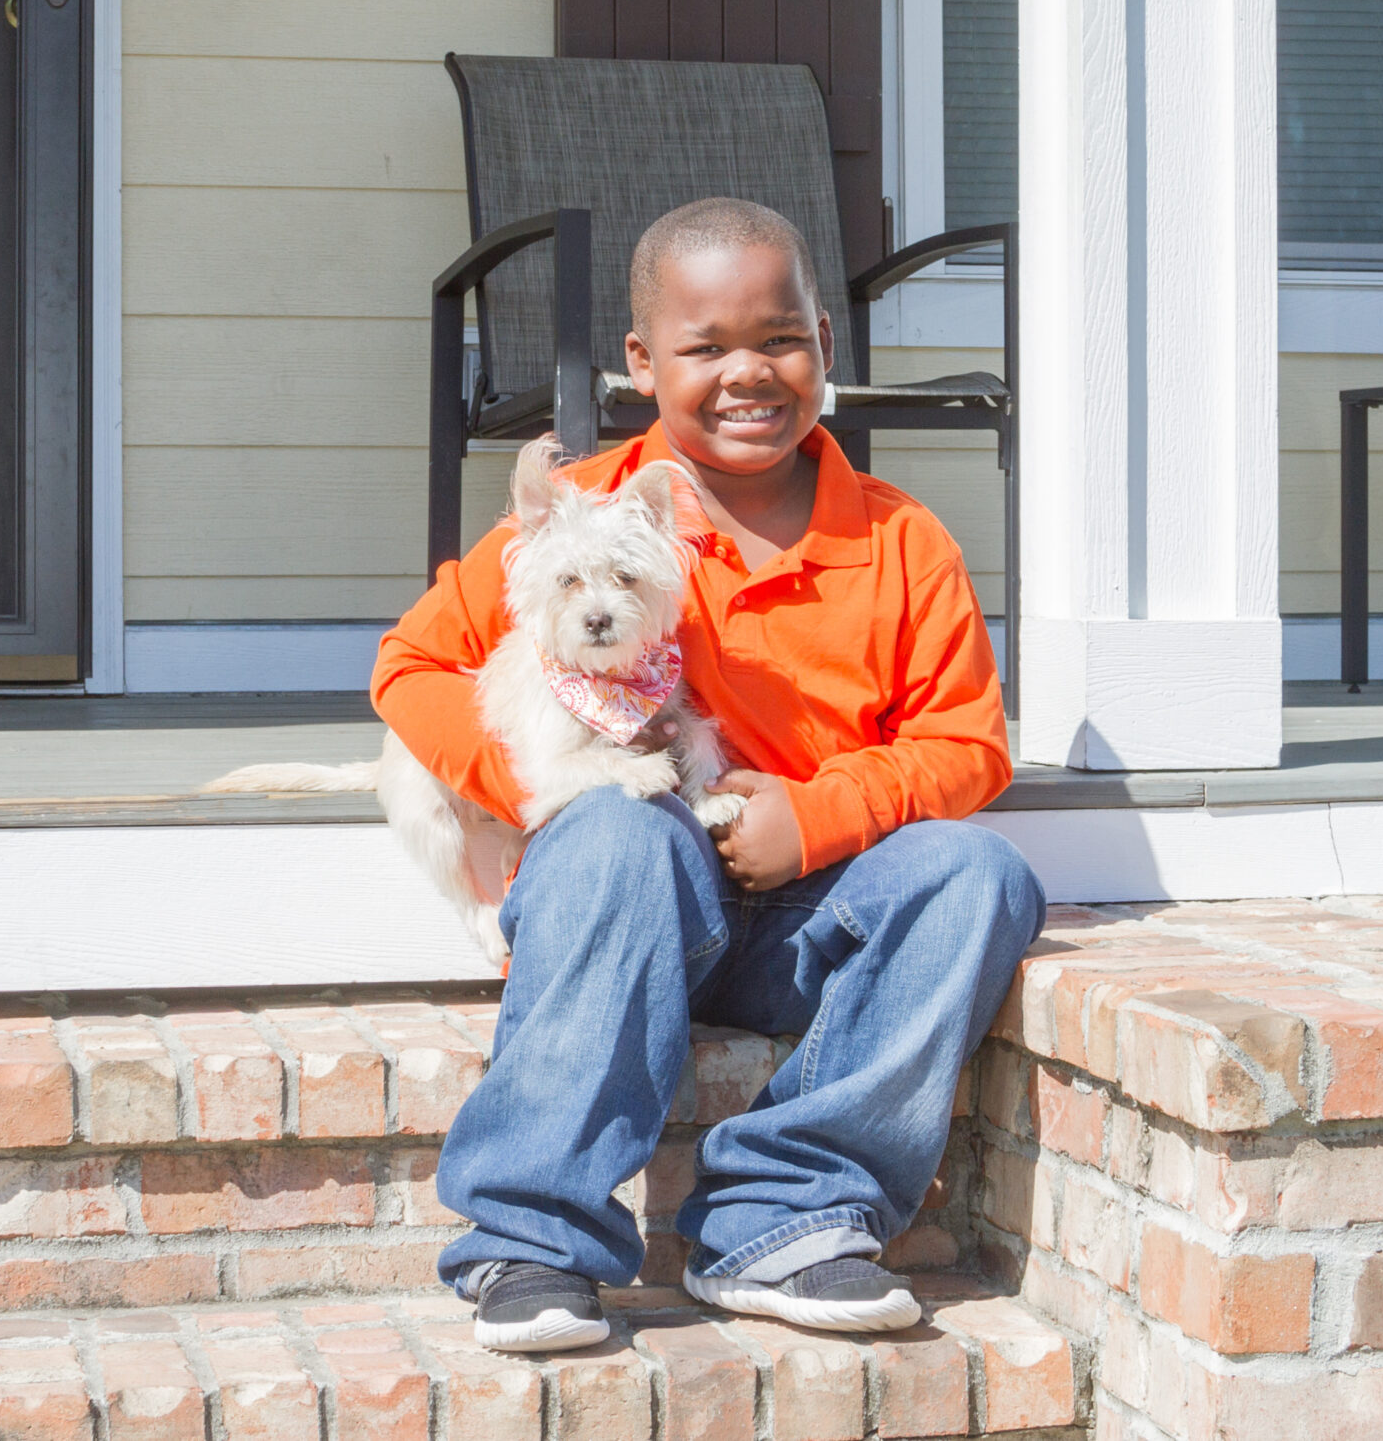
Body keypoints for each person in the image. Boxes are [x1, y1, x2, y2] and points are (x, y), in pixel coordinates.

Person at [372, 197, 1044, 1350]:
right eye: (705, 347)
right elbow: (412, 664)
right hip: (629, 896)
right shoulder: (583, 516)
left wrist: (819, 814)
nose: (749, 373)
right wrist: (550, 775)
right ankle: (533, 1240)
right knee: (619, 834)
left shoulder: (898, 541)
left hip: (808, 919)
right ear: (641, 362)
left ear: (824, 345)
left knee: (976, 875)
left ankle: (785, 1217)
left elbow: (968, 743)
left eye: (779, 339)